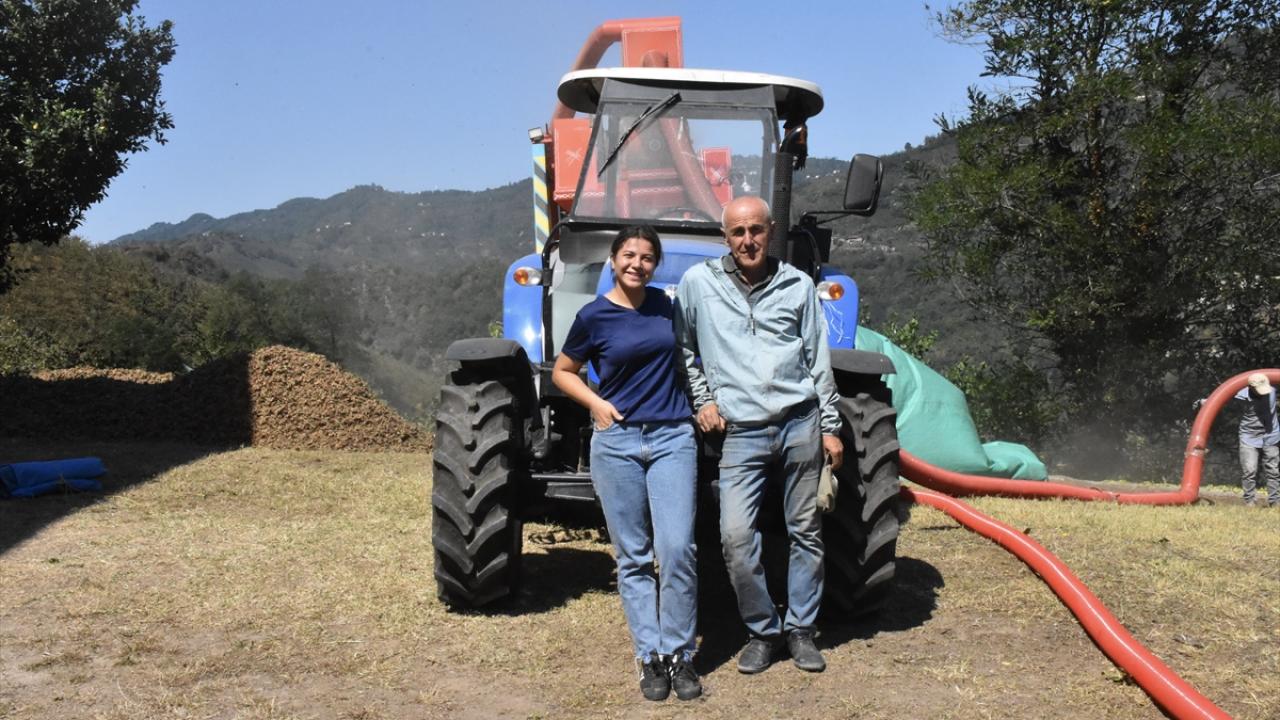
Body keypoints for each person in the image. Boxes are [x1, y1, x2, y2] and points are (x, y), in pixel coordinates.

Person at [673, 195, 843, 674]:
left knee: (806, 530)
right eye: (737, 232)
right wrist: (702, 400)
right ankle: (763, 629)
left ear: (771, 232)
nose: (748, 240)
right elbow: (684, 350)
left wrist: (830, 427)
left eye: (756, 230)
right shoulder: (697, 285)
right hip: (741, 431)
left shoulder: (797, 285)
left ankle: (803, 630)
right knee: (735, 536)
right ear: (724, 237)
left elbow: (818, 360)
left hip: (799, 422)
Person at [551, 225, 702, 702]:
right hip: (616, 443)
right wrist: (595, 405)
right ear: (614, 260)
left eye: (647, 257)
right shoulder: (593, 316)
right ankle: (649, 657)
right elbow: (562, 371)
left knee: (677, 549)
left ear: (655, 265)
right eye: (629, 255)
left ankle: (680, 653)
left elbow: (694, 356)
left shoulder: (667, 308)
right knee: (634, 556)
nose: (638, 264)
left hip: (673, 436)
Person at [1235, 372, 1279, 507]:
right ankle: (1250, 501)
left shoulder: (1272, 390)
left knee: (1273, 470)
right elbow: (1222, 401)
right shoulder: (1241, 396)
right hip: (1249, 435)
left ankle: (1275, 501)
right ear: (1250, 387)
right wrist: (1205, 402)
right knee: (1249, 470)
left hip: (1271, 434)